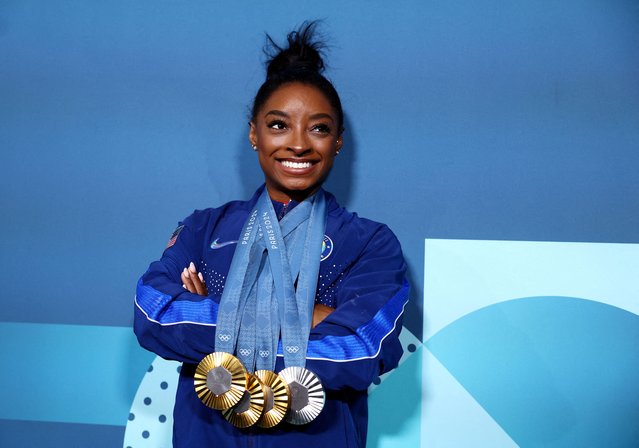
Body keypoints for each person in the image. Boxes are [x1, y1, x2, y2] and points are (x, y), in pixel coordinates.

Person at [134, 21, 409, 448]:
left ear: (337, 141)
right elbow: (153, 312)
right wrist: (315, 315)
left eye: (318, 128)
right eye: (279, 125)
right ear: (254, 134)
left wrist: (217, 309)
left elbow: (361, 350)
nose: (298, 144)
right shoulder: (205, 227)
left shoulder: (371, 243)